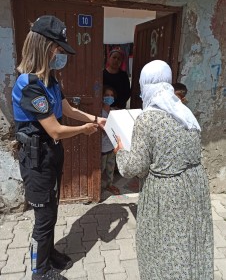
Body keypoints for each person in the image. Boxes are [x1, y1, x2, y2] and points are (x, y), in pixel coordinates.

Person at [11, 15, 106, 280]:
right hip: (37, 159)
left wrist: (95, 119)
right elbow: (54, 129)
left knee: (52, 211)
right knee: (43, 218)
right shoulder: (29, 85)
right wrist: (84, 131)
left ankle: (49, 253)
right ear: (44, 46)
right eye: (57, 48)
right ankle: (39, 272)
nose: (60, 53)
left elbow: (67, 109)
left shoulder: (50, 80)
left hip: (51, 155)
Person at [114, 60, 214, 280]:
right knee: (190, 242)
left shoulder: (147, 119)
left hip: (166, 193)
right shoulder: (185, 112)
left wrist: (120, 151)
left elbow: (135, 167)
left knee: (163, 247)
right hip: (195, 187)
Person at [101, 85, 120, 195]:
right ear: (102, 97)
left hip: (112, 146)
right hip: (102, 147)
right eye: (107, 95)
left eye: (112, 95)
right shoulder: (99, 113)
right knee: (101, 168)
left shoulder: (114, 111)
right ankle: (96, 188)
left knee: (110, 168)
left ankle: (109, 185)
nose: (109, 97)